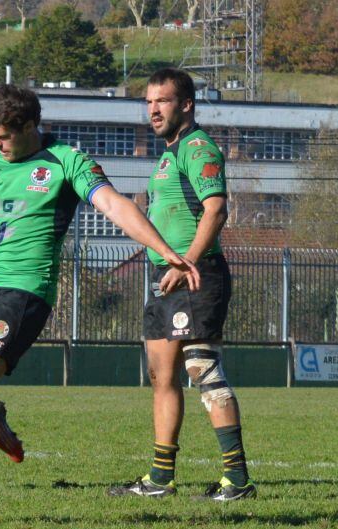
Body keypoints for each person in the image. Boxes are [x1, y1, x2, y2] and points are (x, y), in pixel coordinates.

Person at [0, 84, 200, 525]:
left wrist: (165, 248)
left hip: (24, 295)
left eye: (2, 136)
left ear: (29, 127)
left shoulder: (67, 161)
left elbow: (114, 205)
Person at [108, 68, 256, 502]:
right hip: (165, 278)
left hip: (196, 274)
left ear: (186, 105)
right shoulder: (166, 156)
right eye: (149, 101)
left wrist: (187, 261)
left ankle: (238, 479)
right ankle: (160, 478)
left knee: (202, 370)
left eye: (163, 101)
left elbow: (216, 210)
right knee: (161, 375)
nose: (153, 109)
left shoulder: (197, 147)